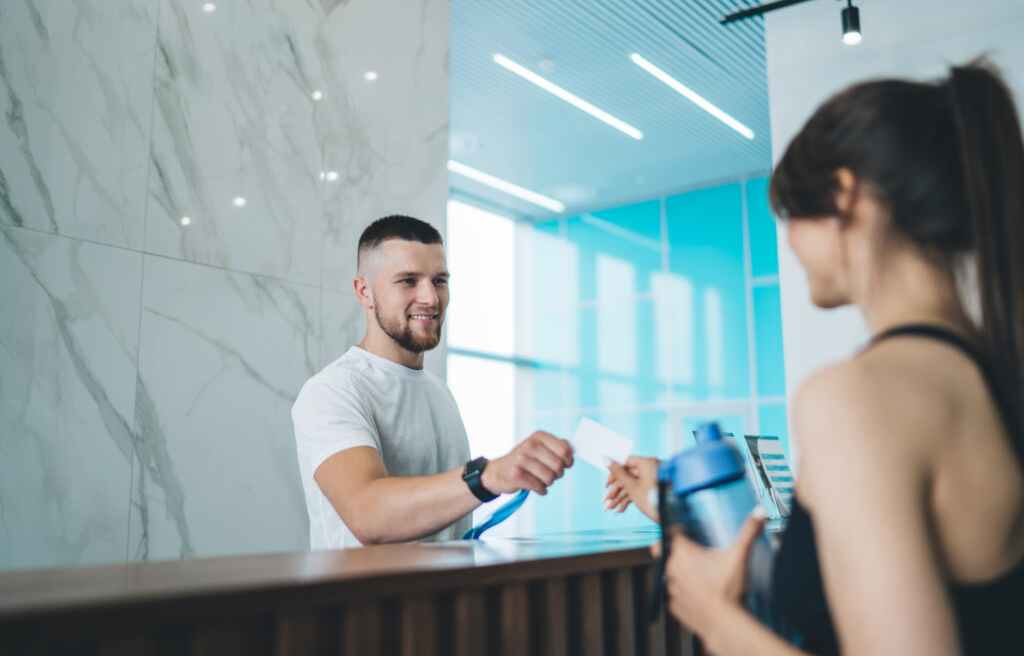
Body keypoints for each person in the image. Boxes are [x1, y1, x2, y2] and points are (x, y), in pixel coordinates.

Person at [604, 60, 1024, 654]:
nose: (790, 243)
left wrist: (717, 620)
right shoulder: (987, 373)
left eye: (791, 215)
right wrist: (677, 511)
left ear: (845, 195)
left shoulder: (858, 397)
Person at [292, 215, 574, 548]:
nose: (430, 297)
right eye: (409, 281)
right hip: (363, 600)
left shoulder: (440, 392)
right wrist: (488, 476)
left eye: (439, 280)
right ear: (364, 291)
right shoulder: (333, 392)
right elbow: (368, 514)